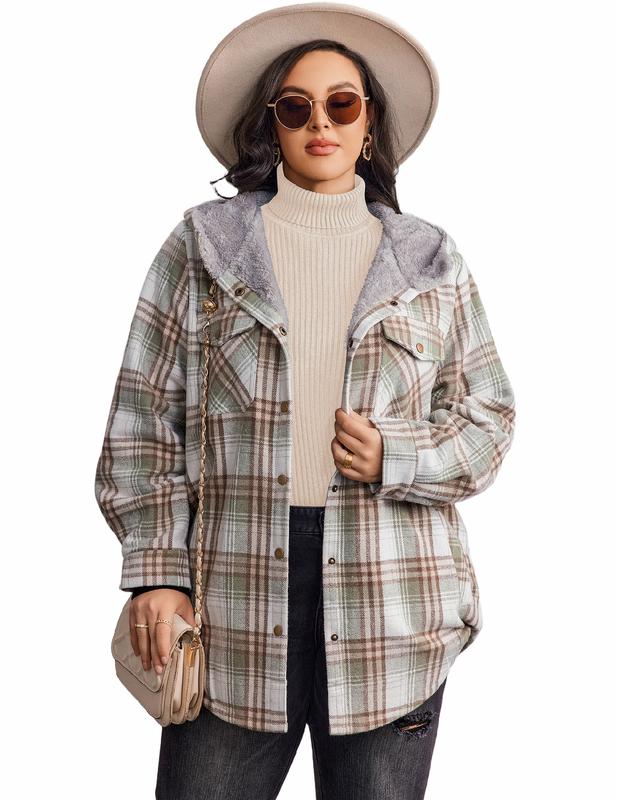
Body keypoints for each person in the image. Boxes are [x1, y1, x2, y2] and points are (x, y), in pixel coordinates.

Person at [94, 5, 516, 798]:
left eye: (341, 103)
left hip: (393, 602)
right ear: (272, 125)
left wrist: (397, 455)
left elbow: (488, 418)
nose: (320, 122)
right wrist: (155, 572)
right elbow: (144, 419)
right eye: (296, 107)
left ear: (369, 123)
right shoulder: (204, 248)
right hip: (232, 594)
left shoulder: (431, 259)